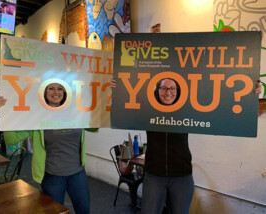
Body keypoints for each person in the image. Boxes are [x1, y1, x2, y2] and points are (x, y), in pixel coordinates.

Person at [110, 77, 261, 214]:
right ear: (157, 91)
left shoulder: (188, 111)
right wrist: (117, 90)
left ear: (178, 91)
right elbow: (122, 111)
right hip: (154, 175)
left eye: (172, 88)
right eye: (163, 88)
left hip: (182, 176)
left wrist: (251, 97)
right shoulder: (148, 110)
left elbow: (223, 115)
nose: (167, 92)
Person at [0, 83, 98, 214]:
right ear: (44, 92)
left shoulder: (76, 112)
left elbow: (95, 126)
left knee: (84, 211)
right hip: (52, 176)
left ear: (65, 91)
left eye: (60, 88)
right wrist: (4, 113)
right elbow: (12, 139)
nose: (56, 92)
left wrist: (108, 94)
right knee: (54, 212)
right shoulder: (38, 117)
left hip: (77, 174)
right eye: (51, 88)